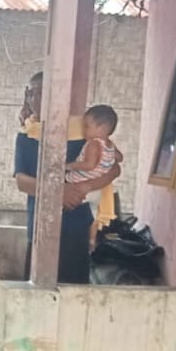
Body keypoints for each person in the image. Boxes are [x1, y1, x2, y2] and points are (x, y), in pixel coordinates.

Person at [14, 72, 120, 284]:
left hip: (76, 224)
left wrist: (86, 186)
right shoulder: (27, 135)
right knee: (35, 289)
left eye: (43, 92)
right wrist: (57, 192)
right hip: (40, 224)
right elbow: (21, 181)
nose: (35, 99)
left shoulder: (82, 131)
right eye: (31, 93)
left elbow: (113, 168)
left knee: (72, 288)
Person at [64, 104, 124, 247]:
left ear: (101, 129)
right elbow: (120, 158)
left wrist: (69, 165)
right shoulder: (110, 145)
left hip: (80, 184)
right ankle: (91, 240)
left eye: (87, 126)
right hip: (98, 191)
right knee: (93, 216)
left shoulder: (93, 144)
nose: (84, 130)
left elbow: (90, 165)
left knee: (66, 207)